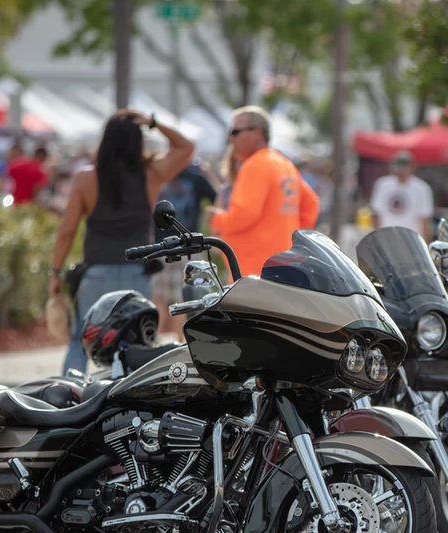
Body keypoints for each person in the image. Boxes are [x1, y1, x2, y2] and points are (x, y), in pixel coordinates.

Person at [48, 110, 195, 376]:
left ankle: (70, 398)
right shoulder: (150, 174)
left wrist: (55, 273)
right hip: (137, 271)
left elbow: (66, 231)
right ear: (137, 141)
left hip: (95, 272)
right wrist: (153, 122)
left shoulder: (86, 178)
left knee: (79, 341)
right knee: (135, 342)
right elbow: (186, 147)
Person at [204, 106, 320, 276]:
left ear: (257, 133)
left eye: (235, 132)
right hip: (284, 264)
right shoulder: (284, 164)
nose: (230, 138)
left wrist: (217, 219)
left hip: (256, 271)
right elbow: (311, 205)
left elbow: (244, 214)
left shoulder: (256, 165)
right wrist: (292, 241)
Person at [152, 160, 218, 339]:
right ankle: (179, 342)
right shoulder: (193, 175)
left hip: (167, 246)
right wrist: (209, 174)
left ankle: (164, 342)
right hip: (179, 246)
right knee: (181, 297)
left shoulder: (160, 171)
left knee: (167, 297)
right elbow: (218, 198)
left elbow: (216, 198)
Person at [369, 150, 434, 240]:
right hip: (387, 237)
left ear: (412, 167)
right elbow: (376, 214)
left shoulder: (421, 188)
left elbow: (424, 220)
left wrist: (425, 243)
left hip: (411, 239)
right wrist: (377, 239)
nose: (400, 173)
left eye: (403, 169)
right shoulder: (383, 185)